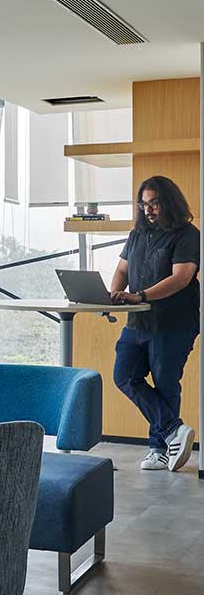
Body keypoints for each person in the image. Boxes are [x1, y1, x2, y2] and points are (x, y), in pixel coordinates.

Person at [110, 175, 200, 471]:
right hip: (138, 323)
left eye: (155, 203)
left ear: (169, 202)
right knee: (124, 375)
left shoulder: (187, 234)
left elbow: (181, 278)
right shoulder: (137, 233)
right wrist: (114, 293)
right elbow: (122, 269)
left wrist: (140, 295)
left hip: (173, 323)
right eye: (144, 204)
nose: (148, 209)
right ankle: (173, 429)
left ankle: (158, 449)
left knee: (164, 383)